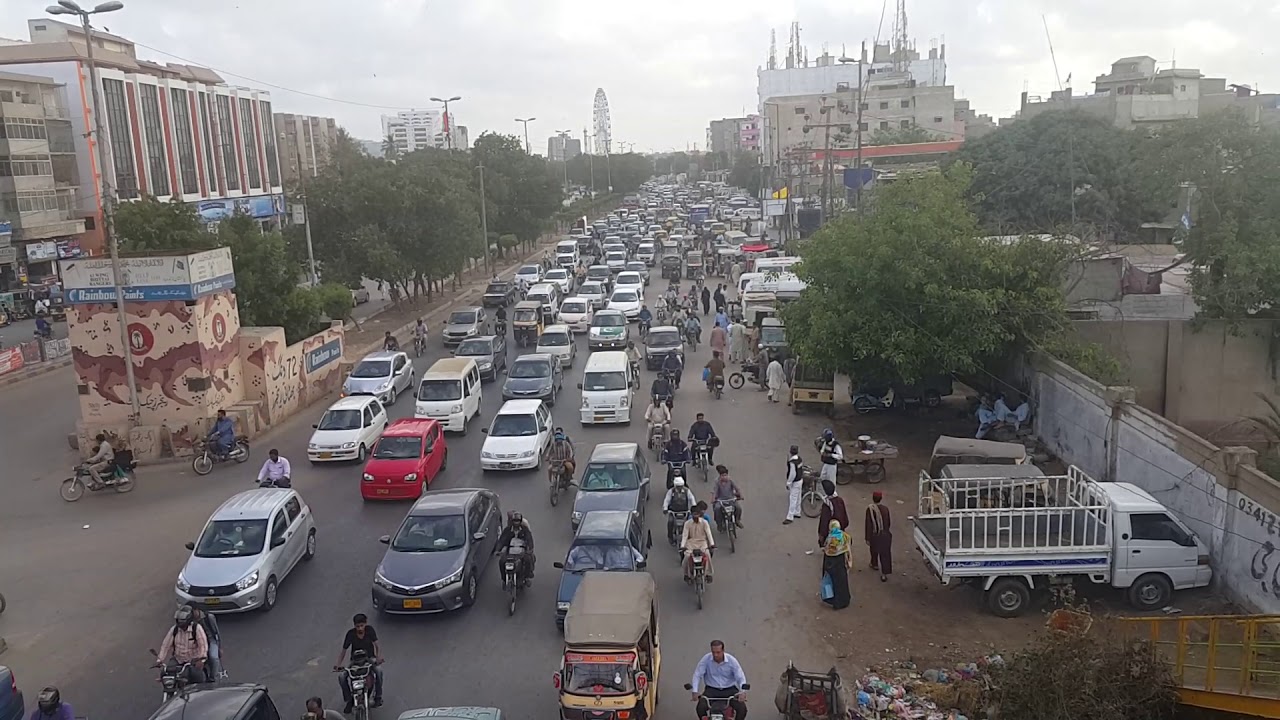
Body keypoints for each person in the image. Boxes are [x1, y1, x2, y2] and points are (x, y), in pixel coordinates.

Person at [334, 613, 383, 712]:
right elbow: (343, 651)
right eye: (357, 626)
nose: (360, 628)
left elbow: (377, 646)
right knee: (342, 677)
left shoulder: (370, 631)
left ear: (365, 624)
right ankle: (349, 700)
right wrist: (338, 665)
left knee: (379, 671)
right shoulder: (350, 634)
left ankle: (378, 697)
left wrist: (378, 658)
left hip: (369, 659)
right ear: (354, 626)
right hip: (355, 661)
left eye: (362, 625)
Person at [690, 640, 748, 720]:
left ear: (723, 651)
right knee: (700, 707)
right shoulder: (706, 659)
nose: (715, 655)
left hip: (729, 689)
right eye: (713, 652)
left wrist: (742, 692)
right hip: (711, 690)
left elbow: (740, 677)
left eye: (718, 652)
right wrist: (695, 691)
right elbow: (697, 674)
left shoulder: (732, 661)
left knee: (742, 709)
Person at [157, 605, 208, 686]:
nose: (181, 623)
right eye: (179, 621)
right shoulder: (174, 629)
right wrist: (160, 660)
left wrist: (201, 660)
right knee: (166, 673)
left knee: (199, 679)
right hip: (178, 659)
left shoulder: (197, 628)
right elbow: (165, 645)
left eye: (183, 621)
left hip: (193, 661)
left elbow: (203, 645)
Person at [495, 511, 536, 583]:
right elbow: (502, 540)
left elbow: (529, 539)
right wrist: (498, 550)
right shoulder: (507, 530)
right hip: (510, 552)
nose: (516, 523)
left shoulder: (525, 530)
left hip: (521, 552)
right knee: (501, 562)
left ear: (520, 521)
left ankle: (526, 577)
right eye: (515, 521)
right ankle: (504, 579)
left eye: (518, 521)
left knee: (528, 560)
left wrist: (530, 548)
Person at [680, 502, 716, 583]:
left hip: (702, 543)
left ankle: (708, 574)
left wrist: (712, 544)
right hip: (691, 543)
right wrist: (682, 546)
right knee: (687, 557)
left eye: (697, 514)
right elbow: (685, 535)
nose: (695, 516)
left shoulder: (704, 523)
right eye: (694, 514)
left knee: (707, 555)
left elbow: (709, 534)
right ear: (691, 514)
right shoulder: (687, 523)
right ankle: (686, 574)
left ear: (700, 514)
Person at [821, 519, 853, 610]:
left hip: (832, 566)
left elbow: (827, 552)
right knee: (842, 584)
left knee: (833, 584)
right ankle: (844, 601)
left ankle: (834, 601)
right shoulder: (845, 536)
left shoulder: (830, 539)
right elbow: (848, 549)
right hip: (841, 565)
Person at [187, 603, 224, 680]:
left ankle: (213, 677)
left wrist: (219, 647)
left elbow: (216, 632)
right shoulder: (189, 620)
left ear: (197, 610)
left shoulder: (209, 617)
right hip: (197, 642)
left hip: (210, 641)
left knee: (213, 657)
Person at [865, 491, 893, 582]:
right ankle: (884, 574)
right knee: (885, 554)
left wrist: (867, 538)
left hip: (875, 535)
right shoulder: (885, 509)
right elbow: (888, 523)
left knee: (874, 549)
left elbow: (868, 524)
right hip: (885, 534)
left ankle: (874, 564)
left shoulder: (870, 509)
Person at [817, 480, 850, 548]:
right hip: (840, 529)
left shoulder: (827, 504)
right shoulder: (840, 500)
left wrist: (821, 534)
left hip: (831, 533)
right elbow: (844, 514)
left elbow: (824, 521)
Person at [711, 465, 744, 530]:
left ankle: (737, 520)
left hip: (731, 499)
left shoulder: (730, 481)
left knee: (738, 508)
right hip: (721, 501)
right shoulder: (717, 482)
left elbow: (737, 489)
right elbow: (715, 491)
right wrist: (713, 499)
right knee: (717, 509)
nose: (724, 477)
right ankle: (719, 524)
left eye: (726, 475)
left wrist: (741, 495)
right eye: (723, 475)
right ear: (720, 476)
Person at [783, 445, 804, 524]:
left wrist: (788, 482)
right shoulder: (799, 459)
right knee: (798, 497)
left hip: (795, 482)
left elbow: (792, 474)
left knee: (793, 498)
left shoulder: (792, 462)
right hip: (800, 480)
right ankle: (797, 512)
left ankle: (790, 517)